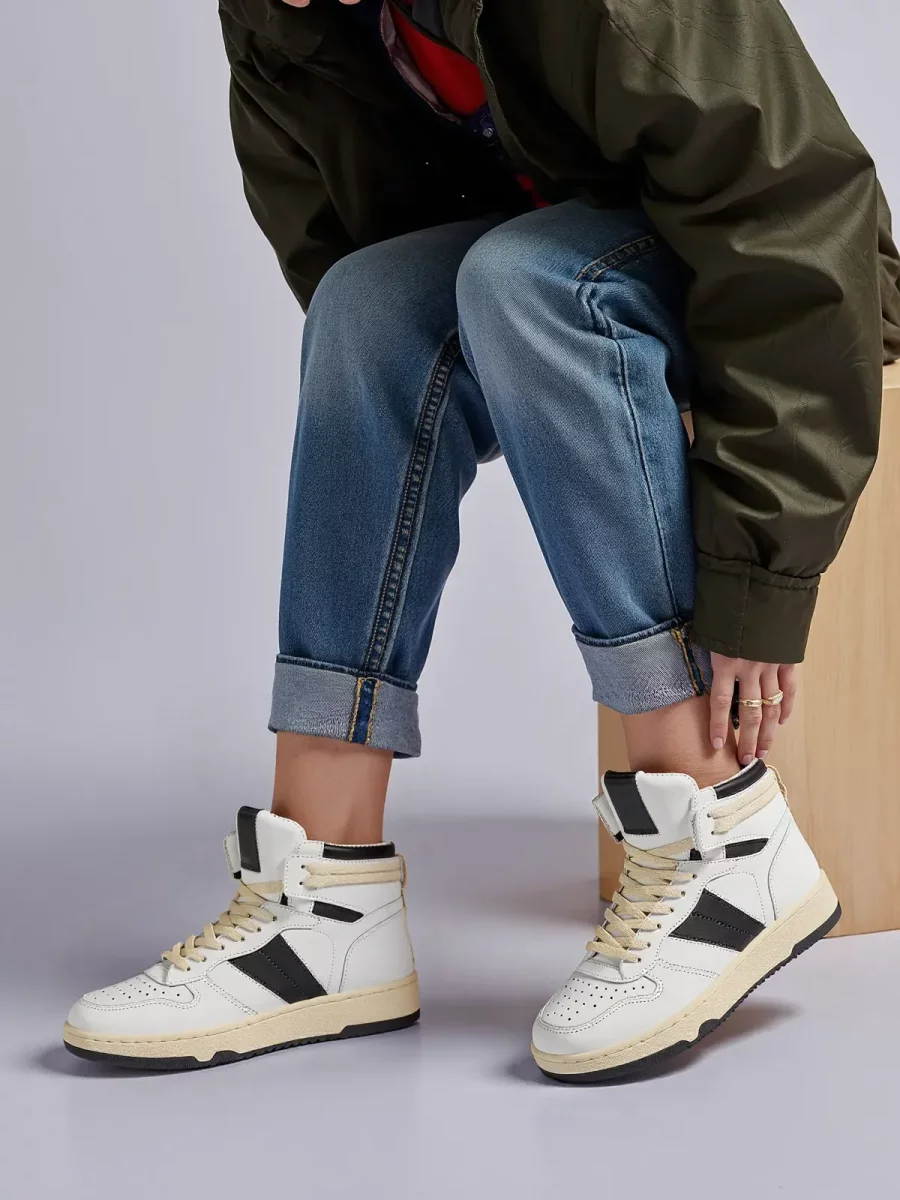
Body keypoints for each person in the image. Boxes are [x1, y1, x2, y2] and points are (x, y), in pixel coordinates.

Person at [63, 0, 900, 1079]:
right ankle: (327, 897)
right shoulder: (286, 22)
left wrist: (759, 576)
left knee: (524, 280)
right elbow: (349, 257)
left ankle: (717, 833)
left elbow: (795, 223)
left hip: (779, 285)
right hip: (546, 278)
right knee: (365, 307)